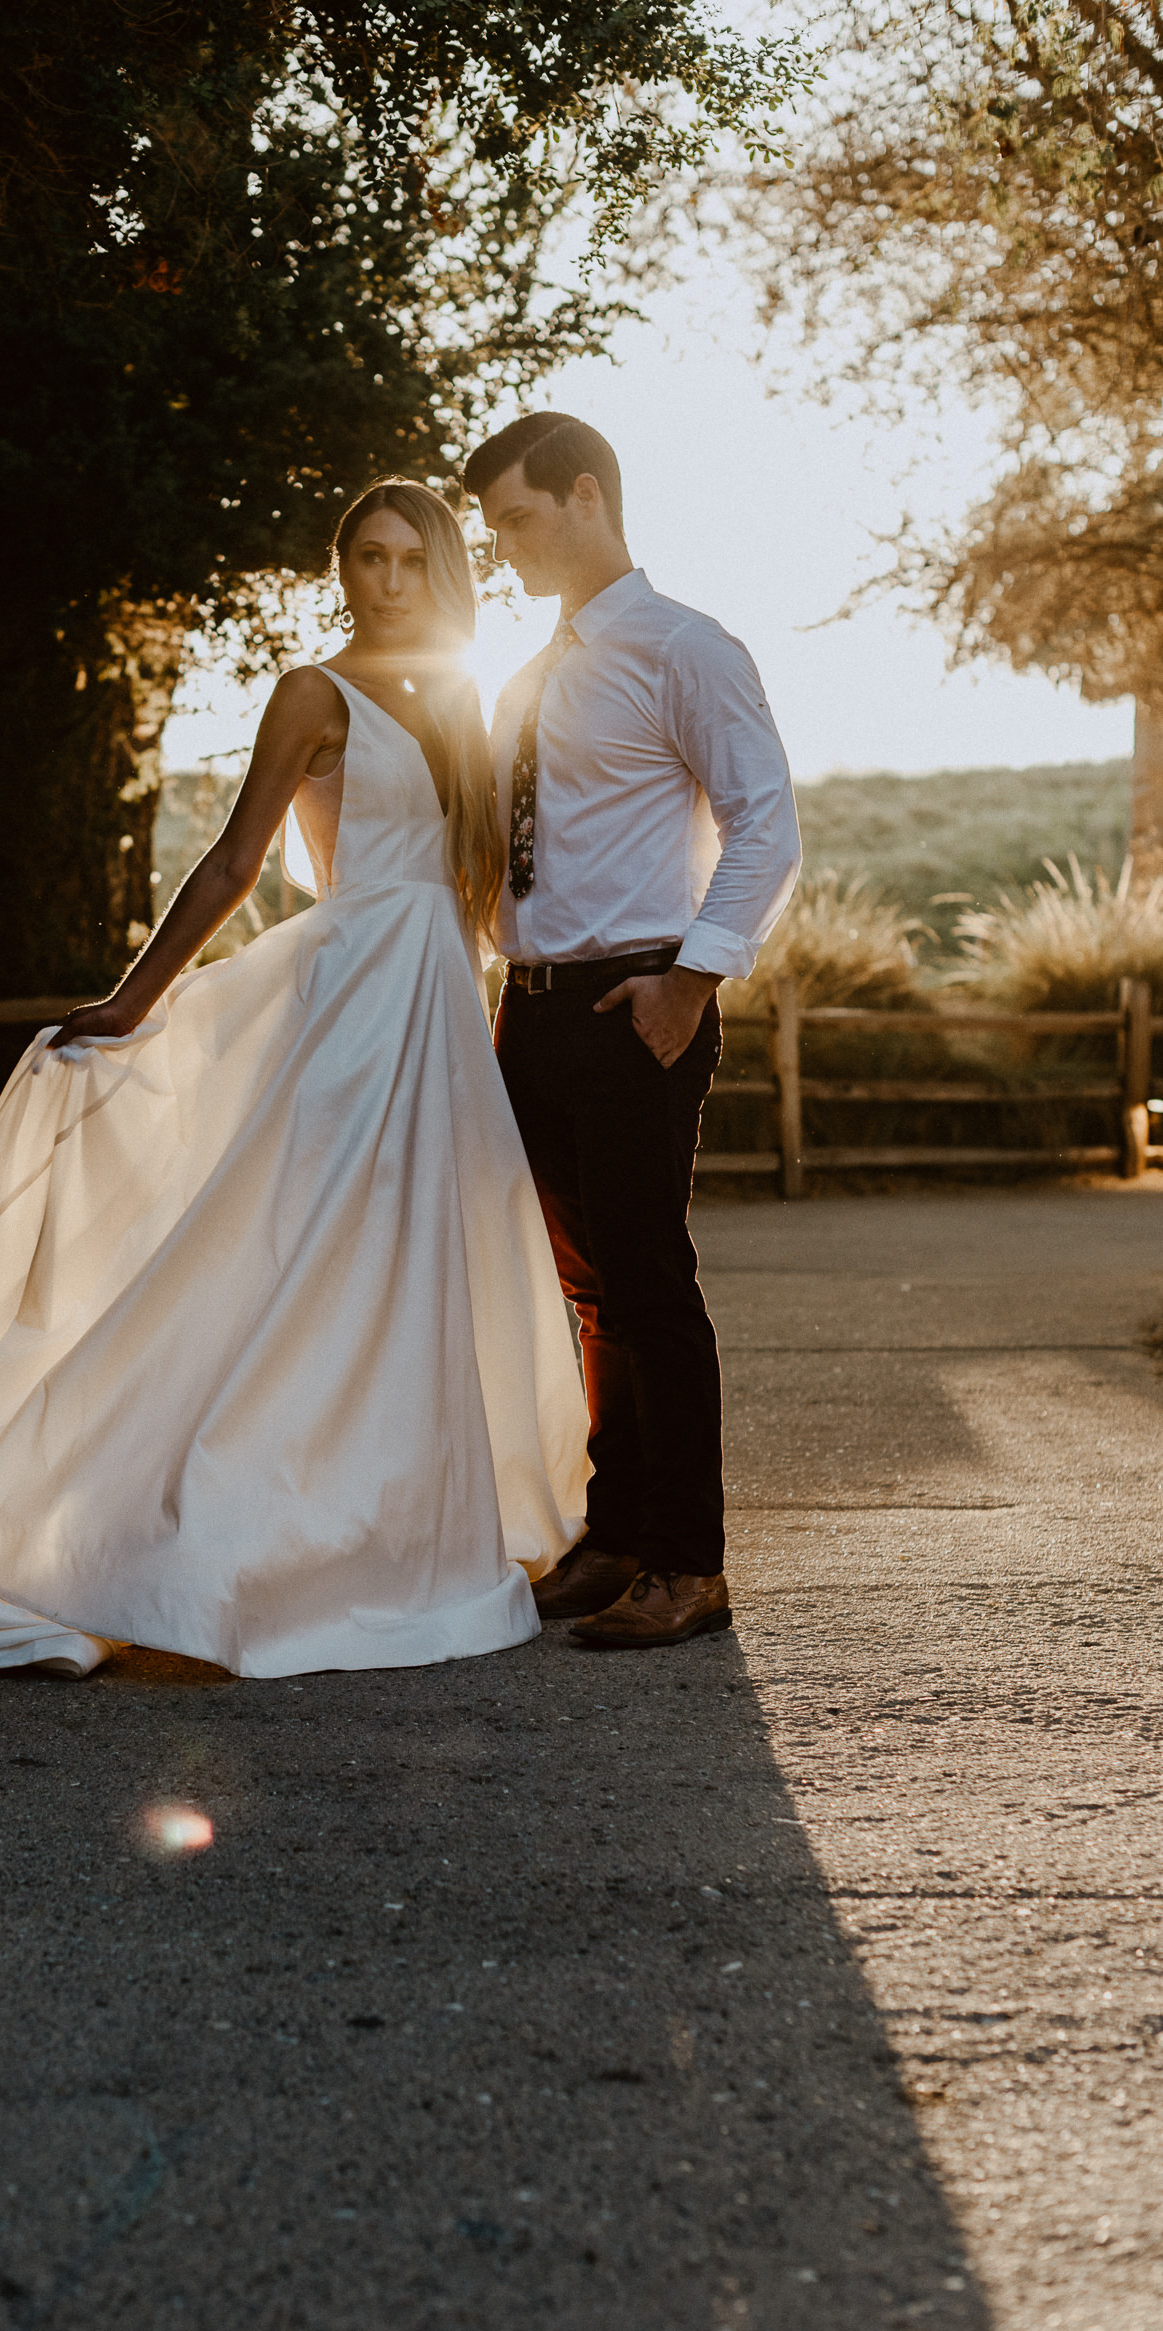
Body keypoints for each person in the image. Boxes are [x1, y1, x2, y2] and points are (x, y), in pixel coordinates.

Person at [0, 480, 588, 1681]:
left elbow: (491, 888)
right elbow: (239, 858)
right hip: (349, 1003)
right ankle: (233, 1527)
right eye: (368, 557)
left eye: (411, 560)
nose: (388, 580)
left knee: (426, 1256)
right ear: (340, 565)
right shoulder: (314, 691)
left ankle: (404, 1518)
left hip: (444, 1005)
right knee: (317, 1255)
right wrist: (135, 999)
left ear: (442, 571)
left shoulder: (467, 695)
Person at [462, 412, 801, 1651]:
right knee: (588, 1289)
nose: (501, 547)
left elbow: (765, 822)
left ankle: (689, 1564)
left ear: (587, 495)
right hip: (534, 1010)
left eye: (517, 518)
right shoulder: (525, 671)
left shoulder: (685, 648)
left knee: (649, 1285)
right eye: (492, 526)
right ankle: (613, 1538)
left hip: (635, 1002)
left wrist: (692, 981)